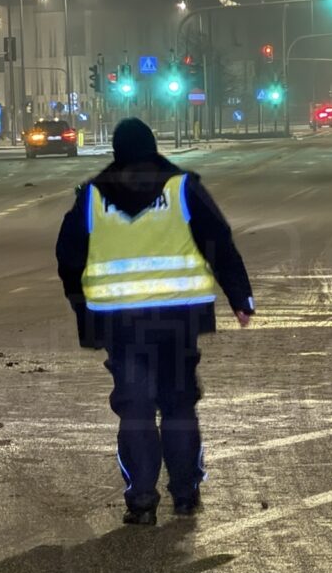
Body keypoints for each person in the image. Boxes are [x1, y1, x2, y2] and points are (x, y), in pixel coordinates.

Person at [56, 118, 254, 526]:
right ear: (152, 148)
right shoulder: (181, 187)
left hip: (120, 325)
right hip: (178, 319)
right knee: (179, 405)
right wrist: (240, 298)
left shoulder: (92, 196)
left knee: (136, 408)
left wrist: (82, 308)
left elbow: (69, 257)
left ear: (116, 152)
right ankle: (185, 494)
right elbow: (218, 241)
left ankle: (142, 500)